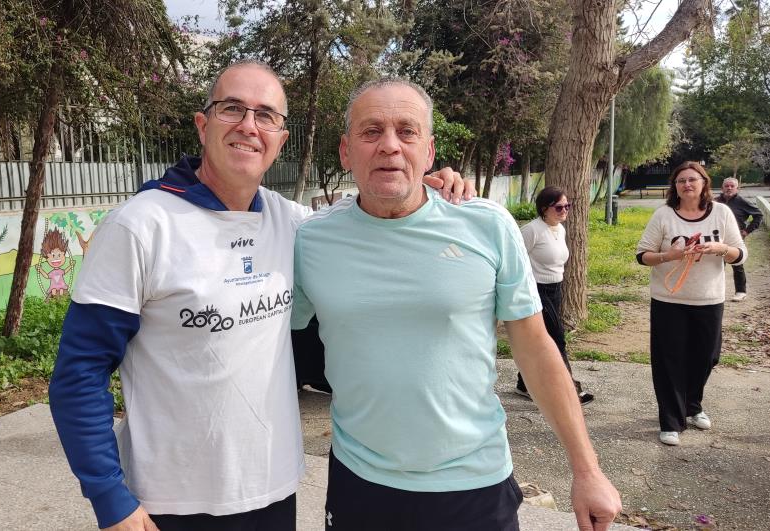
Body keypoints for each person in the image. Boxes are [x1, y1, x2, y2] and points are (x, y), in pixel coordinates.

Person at [48, 61, 472, 531]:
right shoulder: (140, 226)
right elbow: (79, 373)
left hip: (272, 490)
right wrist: (110, 498)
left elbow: (369, 218)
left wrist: (424, 187)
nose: (249, 126)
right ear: (203, 124)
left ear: (281, 139)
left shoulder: (293, 224)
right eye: (233, 109)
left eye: (266, 115)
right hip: (169, 502)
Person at [291, 77, 621, 531]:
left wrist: (587, 471)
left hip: (473, 482)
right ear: (346, 151)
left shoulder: (486, 225)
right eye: (371, 131)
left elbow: (535, 348)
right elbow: (268, 340)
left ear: (429, 152)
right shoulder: (310, 239)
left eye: (407, 131)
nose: (389, 145)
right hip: (359, 482)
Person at [636, 161, 747, 447]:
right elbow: (642, 255)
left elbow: (740, 254)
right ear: (674, 186)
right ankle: (671, 421)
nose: (687, 184)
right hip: (668, 300)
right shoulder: (663, 215)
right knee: (669, 360)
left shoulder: (721, 213)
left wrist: (722, 249)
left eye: (692, 179)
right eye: (681, 180)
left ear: (704, 183)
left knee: (707, 357)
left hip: (709, 299)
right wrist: (669, 255)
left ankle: (692, 405)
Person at [514, 186, 594, 405]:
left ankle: (524, 383)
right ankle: (570, 390)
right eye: (559, 207)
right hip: (536, 290)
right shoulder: (532, 230)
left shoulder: (560, 229)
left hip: (556, 289)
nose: (564, 210)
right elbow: (515, 259)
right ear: (544, 208)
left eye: (567, 206)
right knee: (557, 338)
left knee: (542, 338)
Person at [715, 177, 762, 302]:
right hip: (718, 237)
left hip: (735, 238)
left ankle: (741, 291)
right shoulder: (715, 201)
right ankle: (717, 291)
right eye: (726, 186)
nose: (729, 188)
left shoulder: (742, 202)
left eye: (732, 186)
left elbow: (758, 215)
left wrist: (747, 231)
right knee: (717, 265)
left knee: (737, 264)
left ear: (737, 188)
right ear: (722, 188)